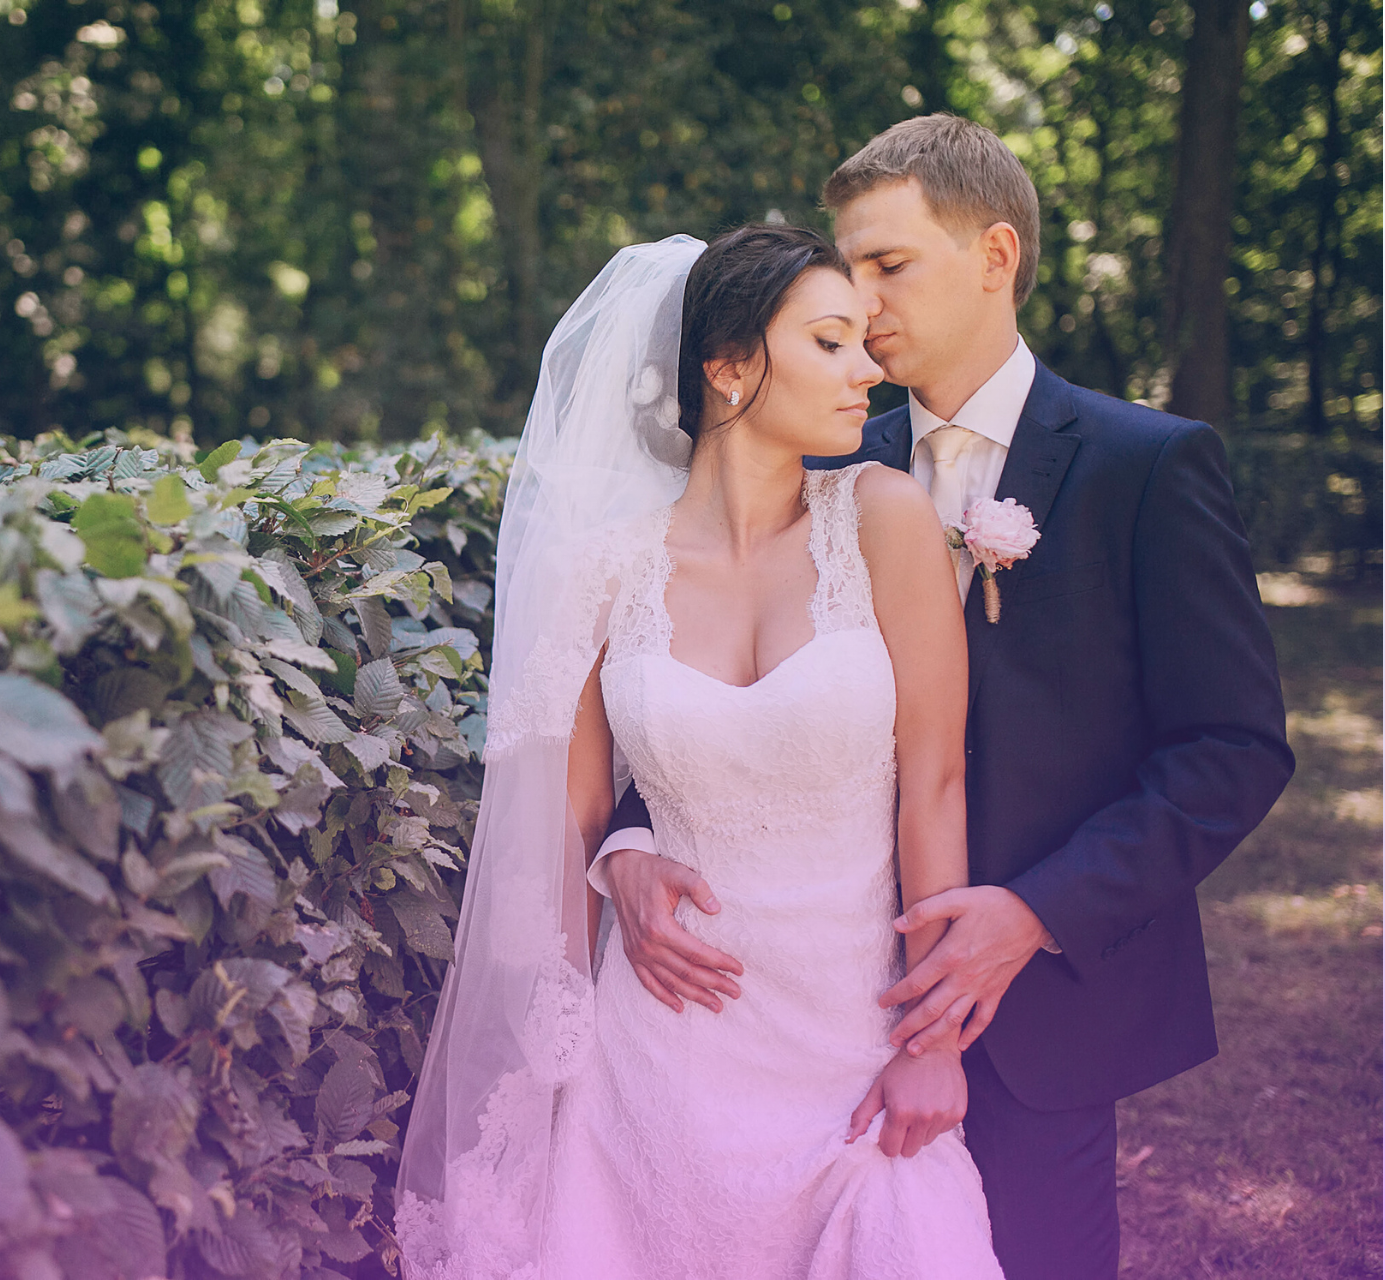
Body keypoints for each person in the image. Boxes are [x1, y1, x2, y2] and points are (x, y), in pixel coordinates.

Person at [591, 115, 1294, 1279]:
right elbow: (687, 687)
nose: (861, 306)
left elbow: (1232, 747)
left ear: (996, 255)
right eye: (847, 270)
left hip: (1045, 1010)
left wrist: (1035, 910)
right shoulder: (809, 452)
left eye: (889, 265)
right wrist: (623, 843)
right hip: (799, 1013)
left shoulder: (1147, 466)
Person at [396, 224, 1005, 1279]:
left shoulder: (885, 518)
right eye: (829, 340)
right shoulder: (606, 568)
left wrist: (931, 1037)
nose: (868, 369)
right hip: (657, 1050)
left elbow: (935, 787)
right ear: (728, 368)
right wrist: (607, 893)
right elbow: (574, 824)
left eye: (865, 340)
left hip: (853, 1044)